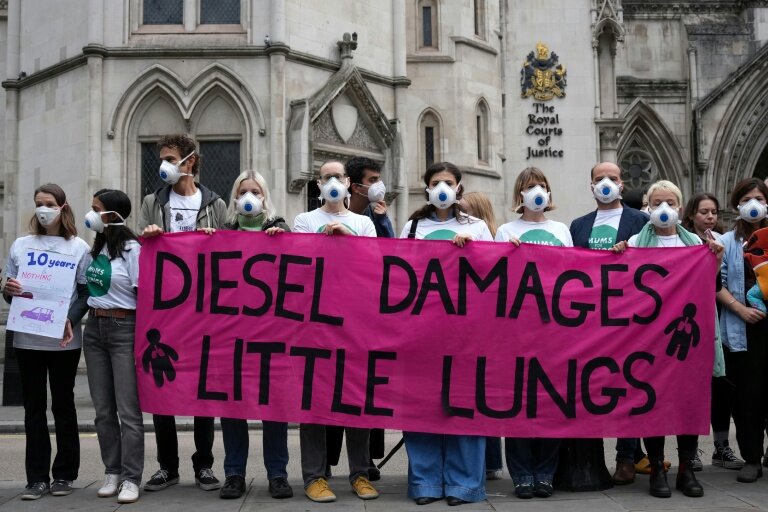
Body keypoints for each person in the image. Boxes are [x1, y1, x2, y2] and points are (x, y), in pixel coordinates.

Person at [612, 179, 723, 498]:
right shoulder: (637, 241)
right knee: (652, 402)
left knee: (688, 401)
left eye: (670, 203)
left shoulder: (695, 243)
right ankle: (657, 467)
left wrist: (714, 258)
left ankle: (687, 468)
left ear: (680, 207)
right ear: (647, 208)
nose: (663, 208)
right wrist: (619, 254)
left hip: (685, 340)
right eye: (657, 202)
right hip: (649, 339)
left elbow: (708, 283)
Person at [138, 134, 227, 492]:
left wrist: (214, 238)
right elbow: (142, 252)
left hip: (203, 311)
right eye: (162, 158)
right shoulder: (152, 201)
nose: (164, 165)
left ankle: (204, 465)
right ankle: (167, 466)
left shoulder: (216, 203)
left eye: (171, 159)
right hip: (165, 310)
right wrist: (149, 235)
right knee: (162, 386)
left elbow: (230, 252)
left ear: (190, 162)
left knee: (204, 390)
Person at [400, 161, 491, 507]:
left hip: (466, 332)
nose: (442, 188)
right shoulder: (412, 227)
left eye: (448, 182)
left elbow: (495, 275)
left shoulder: (477, 227)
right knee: (421, 406)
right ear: (427, 188)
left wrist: (475, 250)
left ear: (458, 188)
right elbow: (399, 274)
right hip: (422, 331)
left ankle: (464, 485)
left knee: (464, 406)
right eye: (436, 182)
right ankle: (424, 482)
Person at [293, 160, 379, 503]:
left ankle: (360, 474)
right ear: (319, 184)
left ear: (347, 183)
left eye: (338, 176)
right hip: (314, 324)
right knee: (313, 401)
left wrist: (348, 238)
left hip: (355, 324)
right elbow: (300, 265)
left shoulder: (363, 223)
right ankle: (315, 477)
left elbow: (372, 265)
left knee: (356, 399)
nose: (332, 181)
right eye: (326, 176)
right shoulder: (305, 221)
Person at [2, 183, 90, 500]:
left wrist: (70, 319)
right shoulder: (21, 245)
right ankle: (36, 478)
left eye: (50, 203)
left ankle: (64, 475)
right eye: (39, 203)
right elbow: (10, 290)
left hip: (63, 341)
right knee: (34, 409)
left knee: (63, 406)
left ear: (63, 207)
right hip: (27, 340)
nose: (43, 209)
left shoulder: (79, 247)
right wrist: (8, 291)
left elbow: (86, 293)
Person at [569, 162, 648, 487]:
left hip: (629, 318)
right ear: (590, 185)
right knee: (594, 386)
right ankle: (592, 459)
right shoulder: (578, 226)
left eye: (612, 178)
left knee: (627, 385)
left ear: (621, 183)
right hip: (590, 320)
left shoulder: (640, 220)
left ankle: (626, 458)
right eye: (599, 178)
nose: (605, 183)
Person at [495, 167, 571, 499]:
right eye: (529, 186)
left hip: (553, 330)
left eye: (541, 185)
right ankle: (522, 473)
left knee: (550, 404)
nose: (536, 191)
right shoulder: (505, 231)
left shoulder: (561, 230)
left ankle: (545, 473)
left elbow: (574, 273)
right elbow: (495, 279)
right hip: (517, 331)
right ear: (520, 194)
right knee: (519, 405)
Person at [218, 170, 293, 500]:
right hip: (232, 336)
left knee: (274, 407)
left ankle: (278, 474)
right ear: (235, 197)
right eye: (243, 191)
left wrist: (284, 241)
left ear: (265, 196)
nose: (249, 197)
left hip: (272, 335)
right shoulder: (224, 233)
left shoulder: (281, 229)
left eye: (256, 191)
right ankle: (234, 474)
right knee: (233, 407)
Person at [325, 157, 393, 482]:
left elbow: (389, 257)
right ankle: (325, 459)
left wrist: (383, 220)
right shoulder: (321, 218)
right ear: (355, 186)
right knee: (330, 387)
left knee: (364, 389)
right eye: (373, 179)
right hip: (330, 314)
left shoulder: (373, 220)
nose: (379, 185)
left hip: (365, 316)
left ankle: (365, 459)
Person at [82, 189, 144, 503]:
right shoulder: (95, 249)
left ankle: (132, 478)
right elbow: (83, 291)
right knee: (103, 411)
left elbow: (143, 295)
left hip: (124, 329)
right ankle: (112, 471)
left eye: (97, 209)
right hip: (94, 329)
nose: (91, 214)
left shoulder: (133, 249)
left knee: (128, 411)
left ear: (113, 214)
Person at [716, 177, 768, 483]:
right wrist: (740, 309)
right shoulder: (726, 242)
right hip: (742, 329)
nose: (754, 205)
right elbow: (715, 284)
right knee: (748, 397)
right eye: (747, 199)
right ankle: (751, 457)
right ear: (737, 204)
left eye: (759, 198)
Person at [457, 191, 501, 479]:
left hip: (483, 329)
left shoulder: (493, 241)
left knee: (484, 393)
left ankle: (490, 460)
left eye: (465, 212)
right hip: (463, 326)